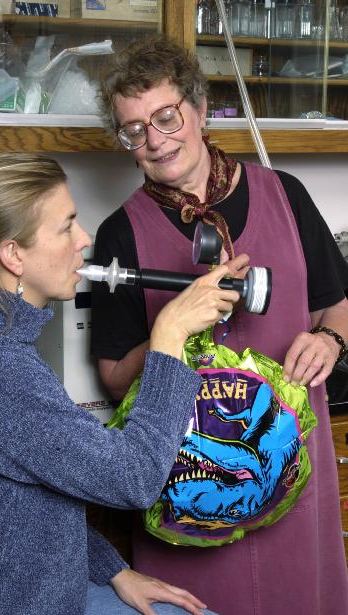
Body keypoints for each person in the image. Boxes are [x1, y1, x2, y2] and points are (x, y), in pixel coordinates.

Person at [90, 35, 348, 615]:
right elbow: (112, 376)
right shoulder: (119, 235)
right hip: (190, 479)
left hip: (288, 460)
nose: (156, 140)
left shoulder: (286, 194)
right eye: (135, 130)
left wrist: (329, 337)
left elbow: (339, 304)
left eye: (166, 116)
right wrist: (173, 331)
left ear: (200, 110)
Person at [0, 153, 243, 615]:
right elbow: (136, 478)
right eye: (66, 227)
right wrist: (167, 338)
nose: (84, 239)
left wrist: (113, 569)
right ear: (13, 255)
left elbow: (28, 498)